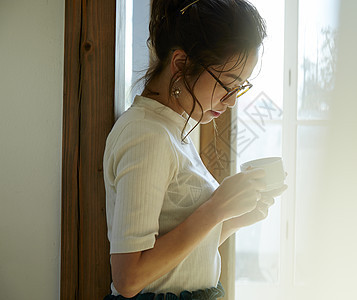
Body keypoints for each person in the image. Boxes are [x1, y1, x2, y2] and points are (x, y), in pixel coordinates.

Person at [103, 0, 287, 299]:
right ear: (180, 64)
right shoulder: (146, 135)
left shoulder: (172, 130)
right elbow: (129, 277)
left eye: (240, 88)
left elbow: (174, 265)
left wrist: (233, 218)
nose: (231, 100)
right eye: (227, 84)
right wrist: (216, 209)